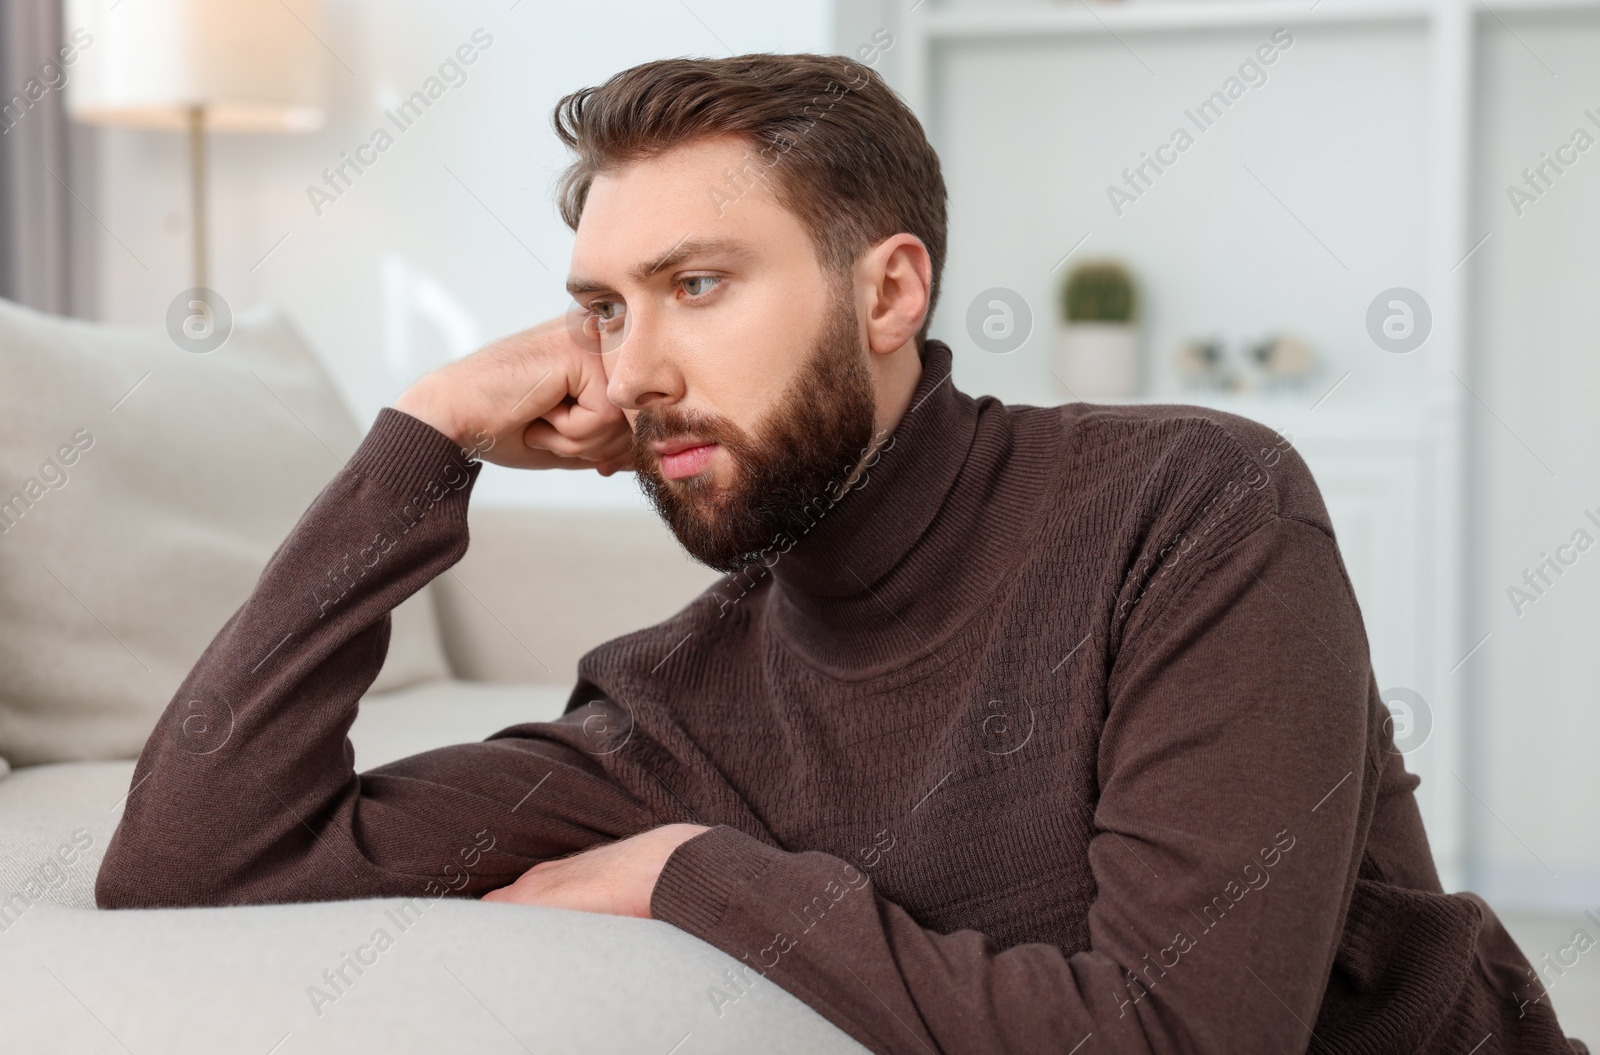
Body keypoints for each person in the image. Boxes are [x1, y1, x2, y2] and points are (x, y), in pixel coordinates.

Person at [96, 53, 1585, 1054]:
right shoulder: (679, 702)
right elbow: (190, 861)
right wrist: (418, 441)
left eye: (697, 284)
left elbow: (1182, 1039)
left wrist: (693, 874)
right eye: (605, 308)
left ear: (890, 294)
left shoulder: (1193, 507)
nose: (636, 369)